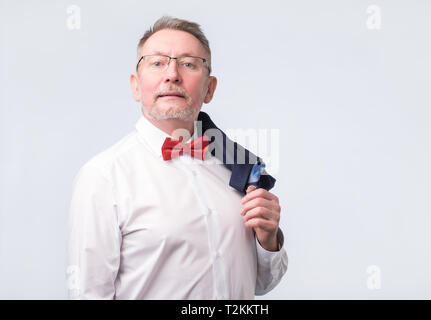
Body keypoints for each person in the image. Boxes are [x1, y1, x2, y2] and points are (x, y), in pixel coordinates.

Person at [66, 16, 288, 300]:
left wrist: (268, 240)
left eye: (188, 63)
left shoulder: (241, 169)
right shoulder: (103, 176)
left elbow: (261, 284)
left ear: (209, 89)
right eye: (157, 62)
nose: (172, 74)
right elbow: (88, 294)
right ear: (136, 85)